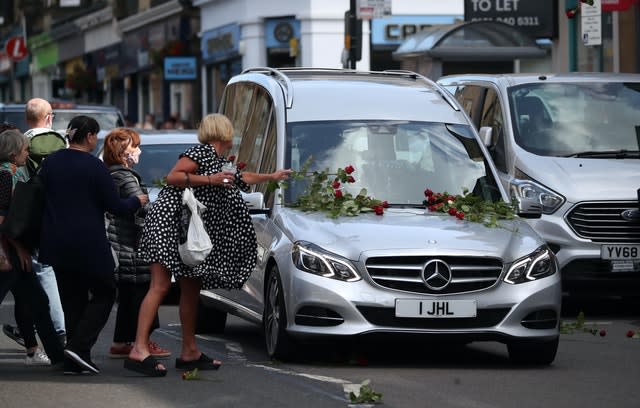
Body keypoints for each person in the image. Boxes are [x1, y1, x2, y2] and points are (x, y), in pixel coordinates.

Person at [124, 113, 291, 376]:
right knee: (160, 286)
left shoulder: (218, 160)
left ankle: (189, 351)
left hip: (187, 230)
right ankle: (139, 349)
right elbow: (174, 177)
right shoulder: (200, 152)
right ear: (224, 132)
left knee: (191, 289)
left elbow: (241, 178)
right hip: (170, 224)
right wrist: (209, 180)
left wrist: (272, 176)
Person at [38, 116, 148, 375]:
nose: (96, 140)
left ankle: (75, 357)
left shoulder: (50, 162)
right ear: (88, 137)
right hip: (88, 242)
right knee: (105, 291)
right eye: (95, 136)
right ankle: (79, 346)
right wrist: (137, 201)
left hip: (55, 241)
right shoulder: (95, 166)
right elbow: (115, 206)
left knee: (71, 298)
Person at [102, 128, 170, 359]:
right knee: (142, 292)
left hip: (123, 242)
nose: (138, 151)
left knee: (130, 295)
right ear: (122, 152)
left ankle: (121, 342)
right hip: (131, 243)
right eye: (134, 147)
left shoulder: (114, 173)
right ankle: (144, 341)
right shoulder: (124, 176)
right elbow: (143, 207)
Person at [0, 128, 65, 367]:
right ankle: (56, 356)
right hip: (8, 254)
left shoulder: (13, 172)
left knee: (37, 302)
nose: (27, 155)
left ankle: (56, 357)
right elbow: (2, 219)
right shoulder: (6, 176)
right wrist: (19, 249)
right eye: (25, 150)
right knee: (37, 302)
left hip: (14, 254)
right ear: (14, 152)